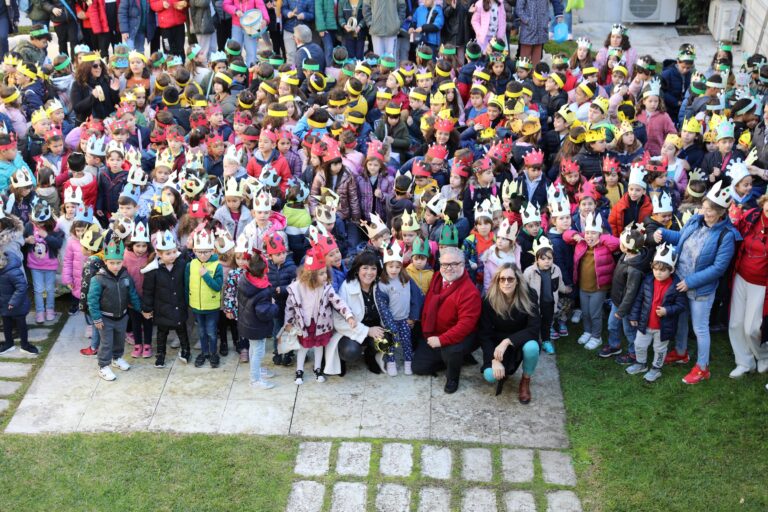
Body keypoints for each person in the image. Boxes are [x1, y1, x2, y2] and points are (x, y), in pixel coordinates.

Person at [654, 181, 739, 384]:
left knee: (700, 328)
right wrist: (663, 233)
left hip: (700, 288)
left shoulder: (726, 235)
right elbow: (681, 238)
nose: (706, 212)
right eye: (705, 207)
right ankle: (682, 352)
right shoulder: (695, 220)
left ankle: (702, 367)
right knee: (682, 320)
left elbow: (718, 268)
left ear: (722, 212)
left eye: (712, 210)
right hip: (680, 280)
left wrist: (690, 282)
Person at [412, 246, 481, 394]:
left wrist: (441, 340)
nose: (448, 268)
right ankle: (456, 358)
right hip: (434, 331)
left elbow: (465, 326)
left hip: (459, 336)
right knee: (418, 367)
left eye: (454, 264)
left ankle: (452, 377)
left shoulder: (469, 292)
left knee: (451, 350)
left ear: (462, 264)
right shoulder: (437, 277)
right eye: (444, 264)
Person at [285, 246, 356, 383]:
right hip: (304, 324)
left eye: (325, 273)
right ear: (311, 275)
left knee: (319, 347)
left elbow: (338, 301)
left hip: (321, 324)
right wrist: (287, 322)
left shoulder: (326, 287)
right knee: (304, 347)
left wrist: (348, 315)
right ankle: (299, 370)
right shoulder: (297, 288)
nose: (326, 276)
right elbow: (290, 306)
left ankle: (318, 368)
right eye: (322, 274)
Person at [479, 262, 540, 403]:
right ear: (498, 281)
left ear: (517, 281)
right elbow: (484, 334)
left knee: (532, 347)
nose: (506, 283)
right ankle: (504, 368)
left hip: (522, 339)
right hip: (497, 343)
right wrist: (493, 359)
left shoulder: (529, 295)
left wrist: (507, 341)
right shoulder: (488, 300)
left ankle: (525, 380)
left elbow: (534, 328)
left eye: (510, 279)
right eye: (502, 279)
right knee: (490, 376)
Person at [88, 238, 143, 381]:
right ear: (105, 262)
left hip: (122, 316)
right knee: (107, 342)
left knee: (119, 340)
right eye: (112, 263)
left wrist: (140, 309)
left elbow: (132, 294)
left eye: (118, 263)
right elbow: (92, 300)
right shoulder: (98, 279)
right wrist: (97, 318)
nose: (115, 266)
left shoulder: (125, 276)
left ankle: (117, 358)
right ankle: (103, 366)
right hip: (105, 318)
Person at [726, 191, 768, 377]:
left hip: (761, 283)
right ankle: (744, 362)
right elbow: (735, 230)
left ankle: (763, 356)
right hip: (741, 276)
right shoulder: (752, 215)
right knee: (735, 323)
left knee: (752, 327)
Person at [142, 230, 192, 368]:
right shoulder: (153, 270)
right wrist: (146, 308)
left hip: (179, 304)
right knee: (161, 333)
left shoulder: (182, 264)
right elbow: (148, 291)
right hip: (162, 308)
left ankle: (186, 350)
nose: (172, 256)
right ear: (159, 254)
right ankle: (160, 354)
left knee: (182, 330)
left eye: (174, 252)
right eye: (168, 253)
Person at [238, 248, 279, 389]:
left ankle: (255, 370)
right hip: (256, 326)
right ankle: (254, 379)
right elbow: (263, 312)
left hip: (247, 323)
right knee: (258, 351)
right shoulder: (261, 291)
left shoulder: (245, 279)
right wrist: (273, 306)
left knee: (253, 349)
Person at [186, 228, 225, 368]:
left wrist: (206, 276)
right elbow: (187, 285)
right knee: (201, 332)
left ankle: (213, 353)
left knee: (211, 332)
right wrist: (187, 302)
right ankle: (204, 352)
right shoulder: (190, 265)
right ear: (195, 251)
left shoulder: (217, 266)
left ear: (212, 251)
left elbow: (217, 286)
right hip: (196, 306)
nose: (203, 255)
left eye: (206, 252)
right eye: (200, 252)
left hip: (211, 307)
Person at [0, 247, 35, 355]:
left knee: (21, 325)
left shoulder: (13, 272)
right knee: (6, 324)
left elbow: (22, 287)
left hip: (17, 304)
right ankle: (8, 344)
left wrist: (12, 302)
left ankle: (25, 345)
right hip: (4, 304)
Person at [515, 0, 562, 65]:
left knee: (536, 63)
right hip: (528, 30)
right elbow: (519, 9)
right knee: (524, 62)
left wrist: (547, 19)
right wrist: (528, 21)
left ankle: (535, 74)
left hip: (541, 30)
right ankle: (523, 75)